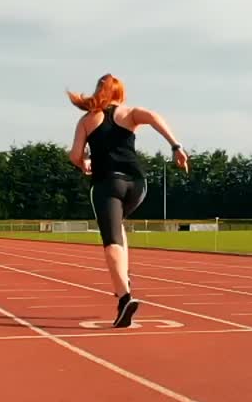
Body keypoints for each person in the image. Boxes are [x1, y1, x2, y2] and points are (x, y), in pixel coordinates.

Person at [67, 74, 189, 327]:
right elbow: (155, 117)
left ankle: (125, 297)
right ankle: (124, 278)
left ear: (98, 91)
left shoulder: (88, 120)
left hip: (107, 184)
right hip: (138, 185)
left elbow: (75, 155)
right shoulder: (130, 113)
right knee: (119, 227)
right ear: (119, 94)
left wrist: (84, 163)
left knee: (111, 238)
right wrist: (176, 146)